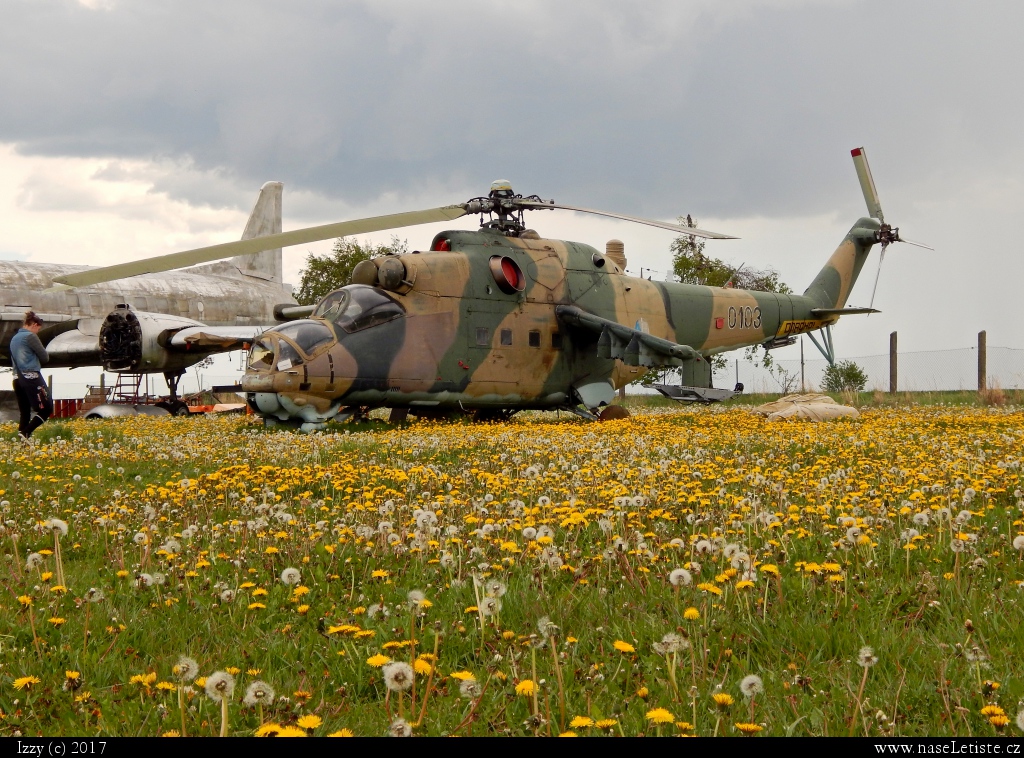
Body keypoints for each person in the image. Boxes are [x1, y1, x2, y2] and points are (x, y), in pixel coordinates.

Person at [10, 311, 52, 440]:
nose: (37, 332)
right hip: (31, 377)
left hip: (17, 378)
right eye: (38, 329)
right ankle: (26, 433)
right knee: (47, 409)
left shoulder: (14, 338)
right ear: (34, 325)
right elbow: (45, 357)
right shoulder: (30, 337)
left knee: (25, 412)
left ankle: (22, 442)